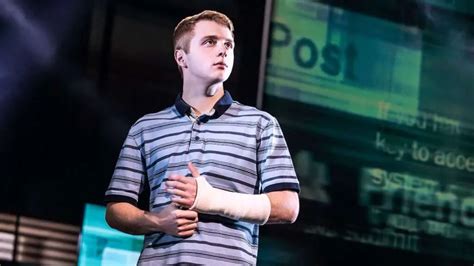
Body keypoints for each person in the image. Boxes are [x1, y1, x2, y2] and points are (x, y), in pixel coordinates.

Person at [104, 10, 300, 265]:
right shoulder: (146, 128)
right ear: (181, 57)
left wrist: (210, 200)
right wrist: (158, 221)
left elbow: (288, 207)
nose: (223, 50)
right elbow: (115, 210)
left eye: (228, 44)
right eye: (210, 42)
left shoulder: (261, 125)